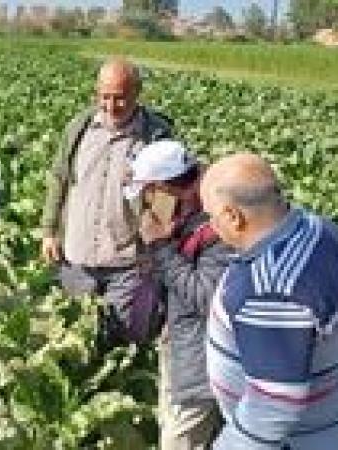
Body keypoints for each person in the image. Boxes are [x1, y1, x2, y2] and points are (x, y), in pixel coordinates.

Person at [202, 153, 338, 449]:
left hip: (299, 438)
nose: (211, 227)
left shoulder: (272, 289)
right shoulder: (317, 228)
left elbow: (274, 404)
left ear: (233, 216)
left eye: (211, 216)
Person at [40, 57, 173, 343]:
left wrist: (156, 248)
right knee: (77, 338)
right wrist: (49, 231)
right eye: (105, 97)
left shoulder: (155, 136)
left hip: (126, 260)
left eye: (121, 98)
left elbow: (168, 198)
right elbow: (59, 178)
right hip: (78, 255)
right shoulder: (79, 129)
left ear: (137, 94)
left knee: (121, 338)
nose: (112, 106)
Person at [125, 140, 231, 449]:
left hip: (203, 363)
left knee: (179, 440)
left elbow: (207, 297)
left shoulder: (219, 225)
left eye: (148, 194)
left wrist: (161, 247)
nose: (145, 204)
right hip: (181, 346)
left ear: (165, 189)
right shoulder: (182, 218)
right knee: (172, 428)